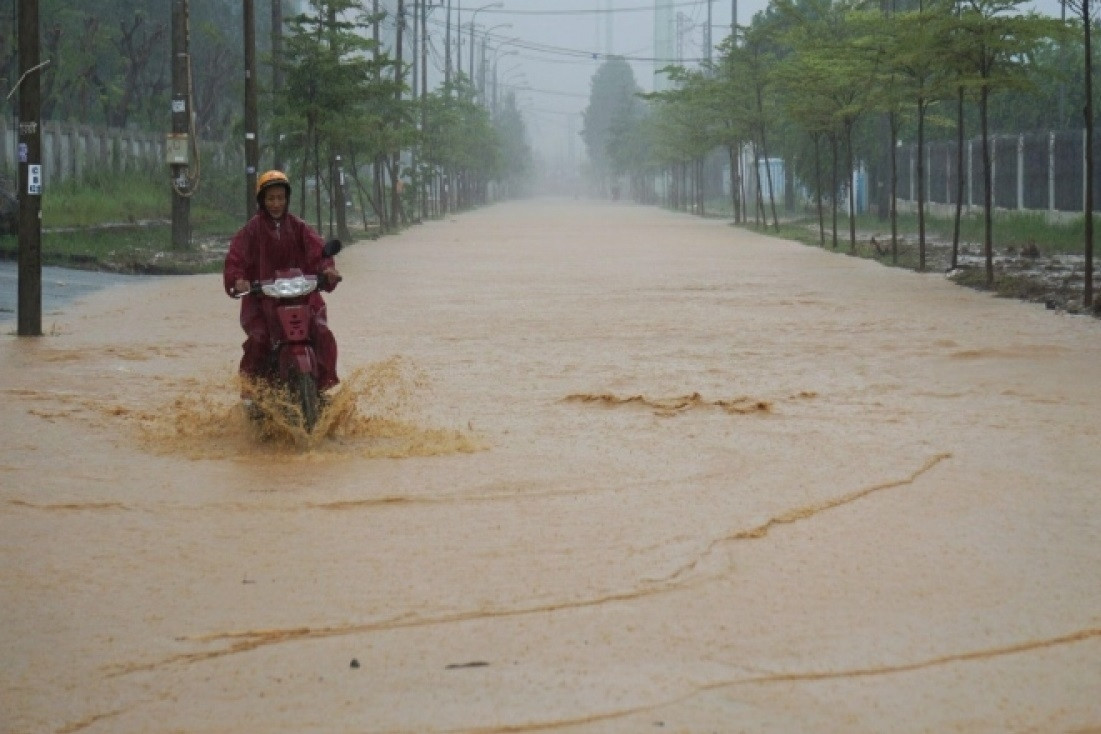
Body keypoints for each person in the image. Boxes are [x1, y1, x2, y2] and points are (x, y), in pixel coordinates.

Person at [223, 170, 343, 392]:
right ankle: (252, 392)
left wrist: (328, 271)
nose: (276, 203)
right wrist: (238, 280)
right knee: (259, 340)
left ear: (287, 199)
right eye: (271, 198)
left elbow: (320, 253)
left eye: (280, 198)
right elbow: (235, 259)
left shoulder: (299, 227)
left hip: (303, 297)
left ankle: (323, 385)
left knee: (322, 332)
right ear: (262, 200)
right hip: (262, 301)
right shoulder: (250, 231)